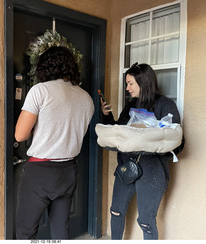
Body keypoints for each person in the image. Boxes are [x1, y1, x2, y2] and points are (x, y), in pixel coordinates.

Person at [15, 46, 94, 239]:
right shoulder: (87, 99)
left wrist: (38, 128)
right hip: (68, 171)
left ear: (44, 66)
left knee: (26, 231)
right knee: (60, 229)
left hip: (40, 171)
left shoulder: (40, 91)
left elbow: (20, 135)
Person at [100, 62, 184, 240]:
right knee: (116, 211)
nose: (127, 88)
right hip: (126, 168)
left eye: (130, 83)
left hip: (152, 172)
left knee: (146, 221)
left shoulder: (165, 105)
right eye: (126, 83)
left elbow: (177, 143)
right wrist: (106, 116)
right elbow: (120, 134)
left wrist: (147, 145)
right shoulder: (130, 106)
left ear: (143, 82)